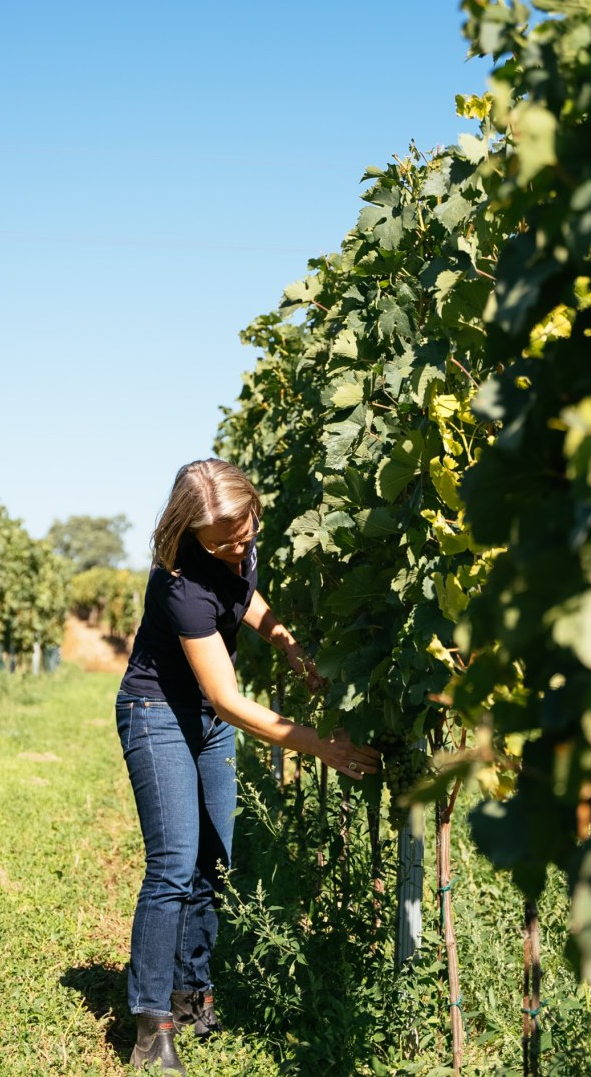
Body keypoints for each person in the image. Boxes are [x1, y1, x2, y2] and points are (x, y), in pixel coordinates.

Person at [116, 458, 379, 1074]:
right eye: (221, 541)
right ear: (192, 534)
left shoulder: (239, 544)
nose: (238, 547)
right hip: (158, 712)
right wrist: (321, 744)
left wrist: (289, 645)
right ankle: (151, 1027)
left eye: (245, 533)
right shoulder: (181, 585)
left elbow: (248, 596)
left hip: (205, 721)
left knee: (215, 861)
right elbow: (227, 701)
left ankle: (191, 998)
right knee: (174, 866)